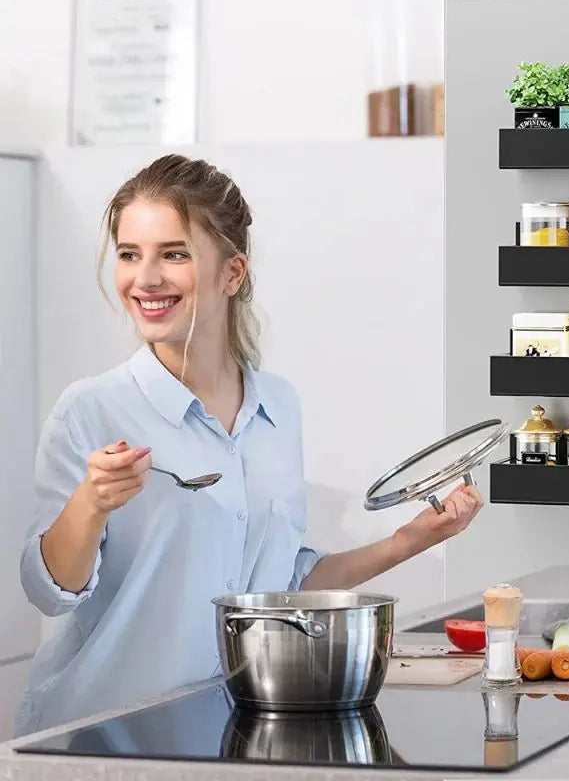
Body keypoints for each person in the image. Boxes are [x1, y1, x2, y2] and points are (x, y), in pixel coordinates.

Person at [14, 154, 483, 736]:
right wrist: (91, 502)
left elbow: (280, 589)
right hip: (101, 734)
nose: (145, 278)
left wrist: (412, 539)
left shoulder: (277, 408)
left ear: (232, 274)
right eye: (130, 254)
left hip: (226, 731)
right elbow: (46, 591)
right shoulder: (92, 409)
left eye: (174, 254)